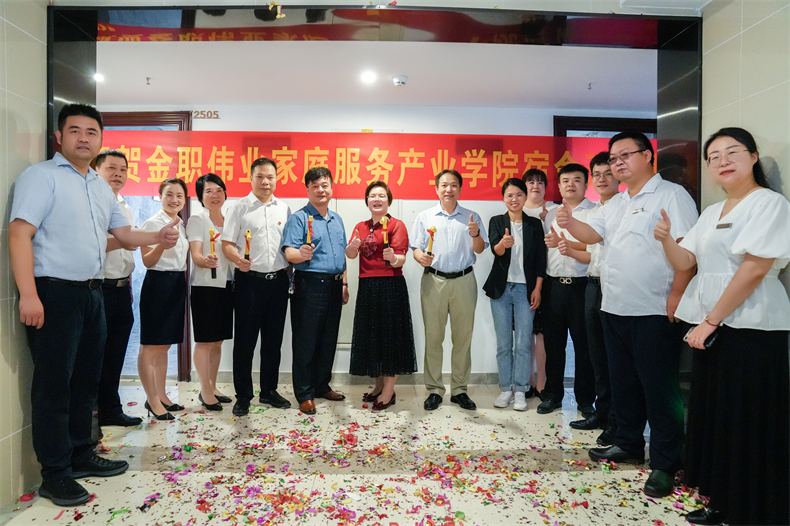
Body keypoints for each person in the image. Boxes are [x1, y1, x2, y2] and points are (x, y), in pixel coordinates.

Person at [9, 103, 179, 506]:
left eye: (91, 132)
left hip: (93, 293)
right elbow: (19, 233)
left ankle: (81, 454)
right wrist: (29, 294)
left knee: (86, 380)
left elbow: (123, 234)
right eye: (75, 131)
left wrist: (158, 237)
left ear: (100, 139)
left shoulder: (100, 188)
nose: (83, 138)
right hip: (54, 292)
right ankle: (55, 474)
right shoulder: (41, 177)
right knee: (55, 386)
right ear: (59, 137)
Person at [656, 128, 790, 526]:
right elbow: (686, 261)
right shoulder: (712, 212)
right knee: (718, 415)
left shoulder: (769, 203)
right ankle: (721, 498)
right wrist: (665, 240)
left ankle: (750, 506)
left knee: (745, 418)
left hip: (751, 326)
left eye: (732, 152)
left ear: (753, 156)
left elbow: (755, 268)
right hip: (712, 326)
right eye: (714, 157)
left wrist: (712, 320)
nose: (723, 161)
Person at [557, 131, 698, 498]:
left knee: (659, 389)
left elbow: (688, 250)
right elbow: (593, 235)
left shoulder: (671, 195)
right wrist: (569, 223)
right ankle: (629, 442)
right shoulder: (617, 202)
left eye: (625, 155)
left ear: (648, 155)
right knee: (624, 384)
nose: (618, 163)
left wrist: (678, 294)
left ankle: (666, 462)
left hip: (654, 309)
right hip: (614, 307)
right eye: (613, 158)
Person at [410, 169, 489, 411]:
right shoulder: (425, 217)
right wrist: (420, 257)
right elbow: (416, 249)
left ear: (460, 189)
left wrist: (475, 233)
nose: (449, 189)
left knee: (463, 338)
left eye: (454, 185)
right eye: (444, 185)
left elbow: (479, 249)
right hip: (433, 280)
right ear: (437, 189)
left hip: (464, 280)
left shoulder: (471, 217)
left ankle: (459, 390)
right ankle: (434, 389)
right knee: (433, 337)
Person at [221, 157, 292, 416]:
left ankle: (269, 391)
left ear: (276, 179)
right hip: (248, 282)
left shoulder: (284, 209)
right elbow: (227, 244)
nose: (265, 182)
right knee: (245, 342)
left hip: (278, 282)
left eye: (270, 177)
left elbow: (289, 247)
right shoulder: (238, 208)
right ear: (251, 178)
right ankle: (243, 396)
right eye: (260, 176)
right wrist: (238, 259)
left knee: (273, 341)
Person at [282, 167, 349, 415]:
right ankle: (304, 393)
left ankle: (322, 385)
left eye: (325, 185)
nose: (321, 190)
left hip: (334, 285)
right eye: (315, 186)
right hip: (309, 284)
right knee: (306, 340)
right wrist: (301, 254)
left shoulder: (337, 219)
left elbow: (342, 255)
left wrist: (344, 284)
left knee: (328, 339)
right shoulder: (299, 218)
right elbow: (289, 252)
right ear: (308, 189)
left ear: (331, 187)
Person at [346, 181, 417, 411]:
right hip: (367, 286)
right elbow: (350, 254)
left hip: (390, 286)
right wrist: (353, 246)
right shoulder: (360, 226)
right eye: (372, 196)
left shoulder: (397, 225)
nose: (377, 199)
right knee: (373, 338)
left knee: (391, 338)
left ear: (389, 201)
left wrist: (393, 258)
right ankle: (378, 386)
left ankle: (389, 391)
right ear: (367, 201)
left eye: (381, 196)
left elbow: (401, 258)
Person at [569, 152, 620, 445]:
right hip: (593, 283)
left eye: (607, 173)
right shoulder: (596, 212)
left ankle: (617, 420)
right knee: (596, 354)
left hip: (615, 286)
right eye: (597, 174)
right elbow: (590, 251)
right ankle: (602, 413)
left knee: (615, 358)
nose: (602, 179)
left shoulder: (623, 207)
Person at [538, 163, 596, 415]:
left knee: (584, 347)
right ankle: (552, 395)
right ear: (559, 186)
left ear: (586, 184)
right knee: (553, 344)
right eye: (565, 180)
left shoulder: (595, 213)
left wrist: (566, 244)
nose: (570, 184)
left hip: (582, 286)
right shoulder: (550, 214)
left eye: (577, 180)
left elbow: (595, 249)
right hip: (553, 286)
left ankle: (586, 400)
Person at [483, 178, 545, 411]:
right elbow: (495, 250)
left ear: (525, 197)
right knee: (503, 343)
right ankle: (505, 388)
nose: (514, 199)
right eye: (509, 195)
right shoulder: (497, 221)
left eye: (519, 194)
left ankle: (520, 390)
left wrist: (538, 288)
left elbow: (541, 259)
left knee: (523, 343)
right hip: (501, 288)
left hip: (525, 290)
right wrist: (503, 244)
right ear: (503, 198)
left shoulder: (534, 224)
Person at [94, 149, 143, 428]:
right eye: (111, 168)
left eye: (123, 170)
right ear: (96, 170)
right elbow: (93, 244)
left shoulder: (124, 206)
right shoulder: (92, 203)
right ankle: (91, 414)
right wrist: (124, 240)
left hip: (122, 287)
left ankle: (110, 409)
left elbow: (127, 247)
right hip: (99, 288)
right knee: (95, 355)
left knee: (115, 354)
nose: (118, 174)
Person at [138, 178, 190, 421]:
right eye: (169, 194)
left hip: (177, 283)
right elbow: (147, 261)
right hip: (158, 283)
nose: (174, 200)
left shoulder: (181, 224)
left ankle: (161, 395)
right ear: (160, 196)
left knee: (165, 345)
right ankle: (151, 400)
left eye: (179, 196)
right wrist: (160, 243)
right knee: (150, 345)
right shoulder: (152, 224)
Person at [186, 174, 234, 412]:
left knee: (218, 341)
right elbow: (195, 254)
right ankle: (204, 390)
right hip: (205, 287)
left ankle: (213, 386)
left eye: (219, 190)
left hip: (228, 286)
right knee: (205, 341)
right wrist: (204, 260)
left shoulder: (230, 220)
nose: (215, 195)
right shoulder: (197, 219)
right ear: (200, 196)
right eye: (208, 191)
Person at [522, 168, 557, 399]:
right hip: (522, 280)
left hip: (548, 278)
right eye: (531, 182)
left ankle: (542, 381)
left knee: (542, 333)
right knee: (524, 333)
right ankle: (527, 380)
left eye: (540, 182)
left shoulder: (555, 210)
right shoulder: (518, 209)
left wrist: (546, 221)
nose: (536, 186)